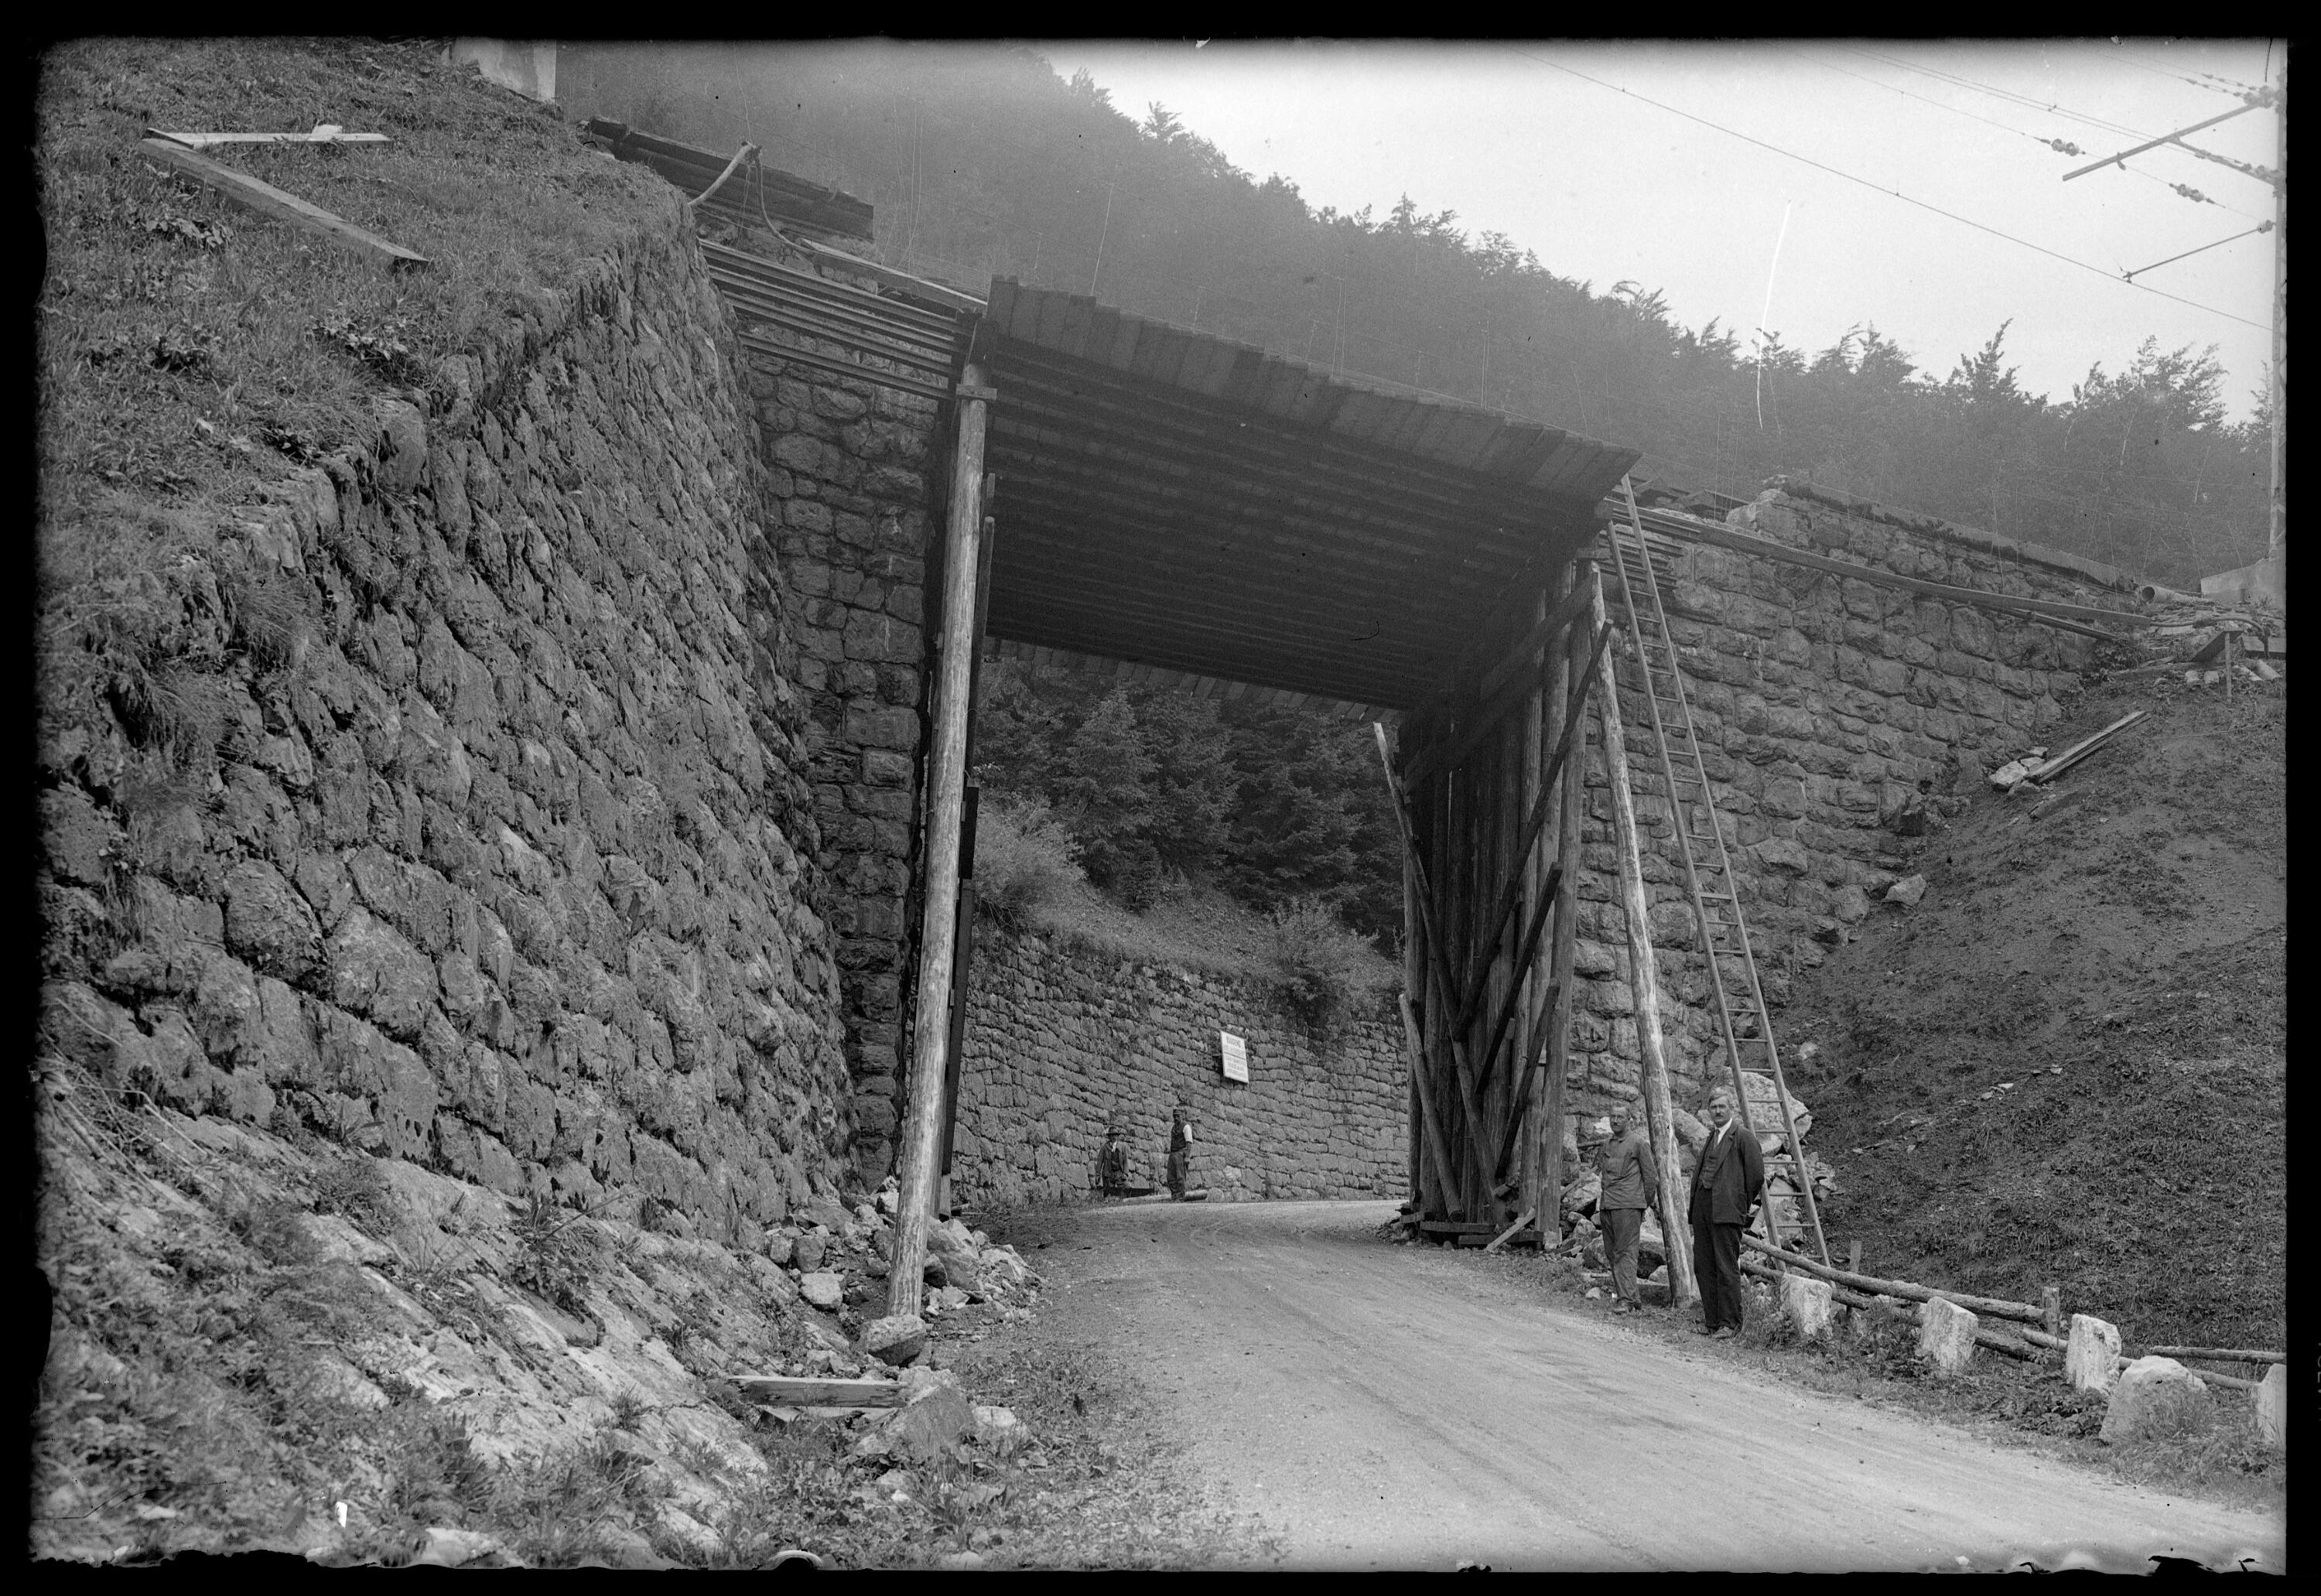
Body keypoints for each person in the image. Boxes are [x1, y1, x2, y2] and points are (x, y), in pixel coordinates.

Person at [1688, 1086, 1763, 1340]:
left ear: (1731, 1109)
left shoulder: (1743, 1137)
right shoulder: (1712, 1136)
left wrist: (1739, 1204)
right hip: (1704, 1211)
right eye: (1714, 1107)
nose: (1718, 1111)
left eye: (1722, 1107)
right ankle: (1712, 1321)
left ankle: (1729, 1324)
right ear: (1709, 1111)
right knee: (1703, 1265)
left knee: (1725, 1266)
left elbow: (1756, 1176)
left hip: (1726, 1212)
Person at [1595, 1099, 1660, 1314]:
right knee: (1613, 1253)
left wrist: (1642, 1204)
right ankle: (1632, 1297)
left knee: (1624, 1252)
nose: (1615, 1121)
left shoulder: (1638, 1144)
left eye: (1620, 1117)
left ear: (1629, 1119)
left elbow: (1651, 1179)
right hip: (1608, 1206)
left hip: (1628, 1207)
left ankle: (1625, 1301)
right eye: (1613, 1117)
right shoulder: (1607, 1145)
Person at [1166, 1106, 1194, 1200]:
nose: (1176, 1118)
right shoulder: (1173, 1128)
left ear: (1182, 1116)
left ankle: (1180, 1197)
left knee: (1180, 1177)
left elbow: (1189, 1142)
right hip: (1173, 1154)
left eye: (1178, 1116)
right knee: (1170, 1177)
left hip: (1180, 1153)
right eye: (1174, 1116)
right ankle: (1174, 1196)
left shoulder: (1186, 1127)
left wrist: (1187, 1157)